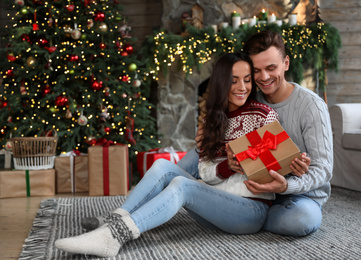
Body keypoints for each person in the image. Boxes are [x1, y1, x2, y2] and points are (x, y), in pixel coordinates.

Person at [54, 52, 310, 258]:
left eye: (246, 79)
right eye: (233, 80)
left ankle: (114, 236)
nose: (242, 87)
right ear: (222, 82)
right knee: (164, 166)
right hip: (215, 204)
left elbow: (273, 169)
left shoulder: (264, 115)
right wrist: (227, 166)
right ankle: (115, 221)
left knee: (182, 185)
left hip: (251, 210)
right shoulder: (213, 120)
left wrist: (291, 165)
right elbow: (208, 174)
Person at [190, 31, 333, 237]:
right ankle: (174, 192)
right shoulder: (249, 97)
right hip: (250, 185)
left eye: (271, 68)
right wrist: (208, 136)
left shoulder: (312, 106)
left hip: (297, 195)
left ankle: (241, 216)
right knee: (192, 155)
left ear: (286, 63)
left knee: (302, 220)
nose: (264, 77)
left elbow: (323, 170)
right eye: (256, 71)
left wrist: (287, 185)